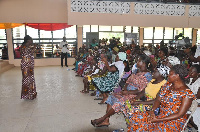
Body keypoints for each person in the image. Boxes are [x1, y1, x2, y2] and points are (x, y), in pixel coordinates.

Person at [127, 64, 195, 132]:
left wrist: (158, 120)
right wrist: (152, 111)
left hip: (173, 122)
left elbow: (180, 114)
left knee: (156, 128)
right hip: (160, 115)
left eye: (170, 74)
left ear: (177, 76)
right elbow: (158, 99)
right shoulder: (167, 85)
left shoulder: (187, 93)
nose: (168, 75)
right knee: (136, 118)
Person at [91, 54, 152, 127]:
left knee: (119, 101)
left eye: (138, 61)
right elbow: (128, 81)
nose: (136, 62)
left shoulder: (147, 75)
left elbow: (141, 90)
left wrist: (127, 92)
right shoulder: (136, 71)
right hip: (126, 92)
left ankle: (102, 118)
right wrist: (124, 89)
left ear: (143, 63)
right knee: (111, 97)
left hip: (135, 95)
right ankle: (106, 120)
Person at [20, 35, 37, 100]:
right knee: (27, 79)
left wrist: (33, 48)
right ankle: (27, 95)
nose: (31, 41)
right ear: (28, 40)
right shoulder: (24, 47)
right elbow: (28, 54)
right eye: (31, 40)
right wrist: (34, 48)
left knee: (30, 78)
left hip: (29, 64)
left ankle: (31, 94)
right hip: (26, 65)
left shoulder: (26, 46)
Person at [187, 64, 200, 130]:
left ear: (198, 73)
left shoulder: (199, 82)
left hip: (196, 103)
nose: (190, 73)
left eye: (192, 72)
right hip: (189, 101)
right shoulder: (190, 79)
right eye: (189, 71)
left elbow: (197, 96)